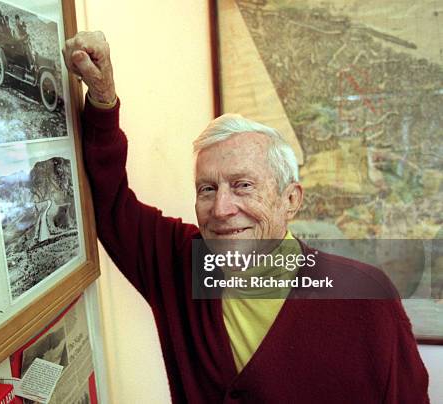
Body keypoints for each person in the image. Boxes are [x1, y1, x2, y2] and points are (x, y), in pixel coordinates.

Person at [63, 31, 429, 402]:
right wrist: (102, 98)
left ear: (290, 199)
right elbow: (109, 203)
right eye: (207, 189)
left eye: (243, 186)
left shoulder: (366, 296)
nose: (221, 209)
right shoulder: (181, 262)